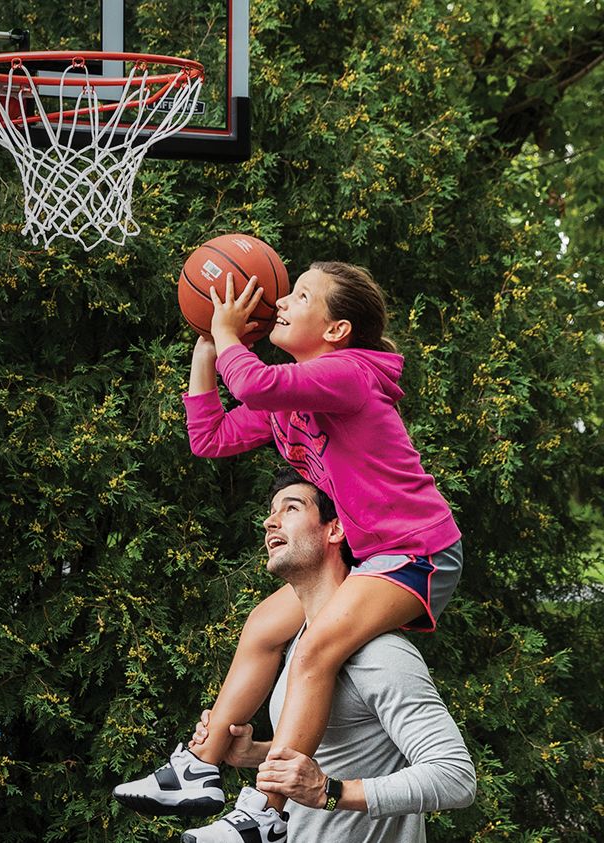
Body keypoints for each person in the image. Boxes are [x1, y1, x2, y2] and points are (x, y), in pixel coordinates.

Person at [113, 262, 465, 841]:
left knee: (311, 653)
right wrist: (207, 345)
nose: (282, 300)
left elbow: (253, 383)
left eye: (301, 295)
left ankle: (265, 814)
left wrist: (229, 334)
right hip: (373, 552)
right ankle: (198, 768)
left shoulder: (350, 373)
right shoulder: (291, 400)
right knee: (261, 627)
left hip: (417, 550)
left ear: (335, 330)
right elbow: (211, 437)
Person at [175, 471, 476, 841]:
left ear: (335, 530)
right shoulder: (301, 647)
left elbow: (455, 777)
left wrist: (332, 793)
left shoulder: (380, 653)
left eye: (291, 508)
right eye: (271, 512)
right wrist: (255, 754)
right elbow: (341, 750)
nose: (271, 521)